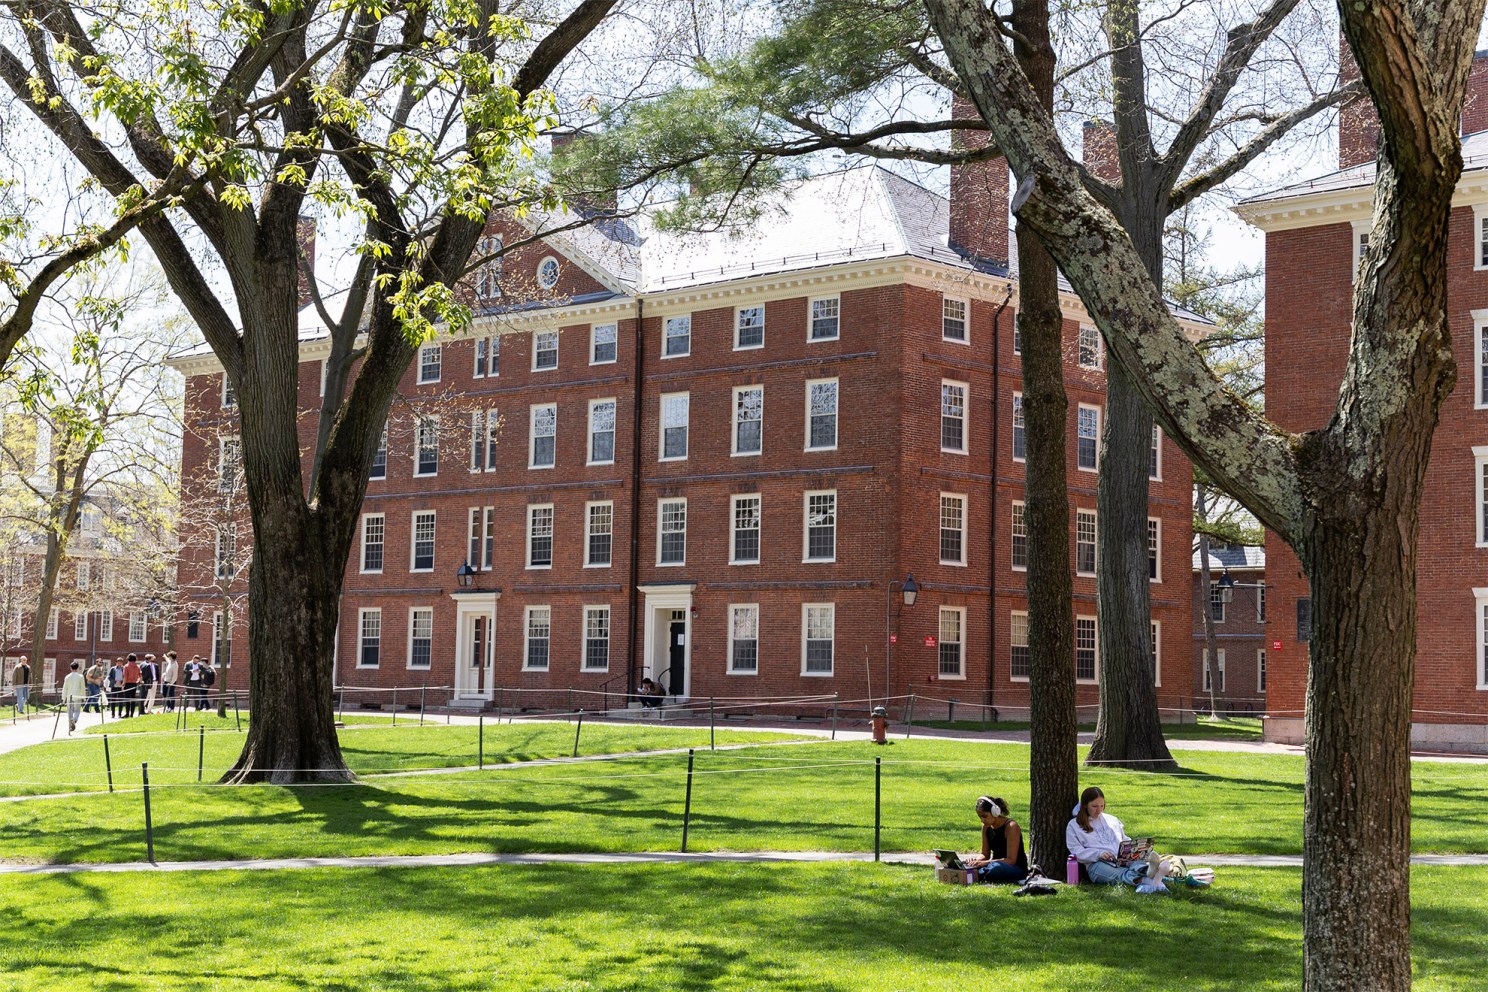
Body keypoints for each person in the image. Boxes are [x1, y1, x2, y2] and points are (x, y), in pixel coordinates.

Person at [1065, 786, 1172, 892]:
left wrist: (1137, 848)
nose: (1099, 810)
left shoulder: (1111, 820)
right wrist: (1099, 854)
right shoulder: (1074, 825)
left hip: (1121, 859)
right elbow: (1076, 852)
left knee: (1135, 863)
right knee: (1120, 874)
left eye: (1102, 806)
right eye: (1094, 806)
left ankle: (1148, 871)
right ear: (1084, 805)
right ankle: (1155, 878)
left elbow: (1124, 839)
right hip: (1097, 864)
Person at [967, 796, 1028, 883]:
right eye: (980, 817)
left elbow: (1011, 860)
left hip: (1015, 868)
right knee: (990, 867)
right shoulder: (986, 827)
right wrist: (976, 861)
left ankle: (977, 874)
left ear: (995, 812)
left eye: (985, 816)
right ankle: (975, 873)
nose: (982, 820)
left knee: (996, 868)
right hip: (993, 864)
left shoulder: (1011, 826)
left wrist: (984, 863)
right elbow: (984, 854)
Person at [61, 661, 87, 734]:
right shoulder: (80, 677)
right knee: (77, 711)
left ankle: (70, 723)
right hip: (77, 696)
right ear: (78, 668)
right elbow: (82, 688)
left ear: (70, 668)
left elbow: (65, 688)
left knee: (70, 711)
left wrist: (63, 698)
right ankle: (74, 720)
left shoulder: (67, 677)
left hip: (69, 697)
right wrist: (84, 697)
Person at [121, 654, 141, 719]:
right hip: (134, 684)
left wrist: (123, 685)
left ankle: (127, 713)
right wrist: (138, 681)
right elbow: (140, 676)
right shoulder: (138, 667)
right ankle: (132, 714)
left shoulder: (126, 666)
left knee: (127, 700)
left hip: (127, 684)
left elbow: (125, 677)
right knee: (133, 699)